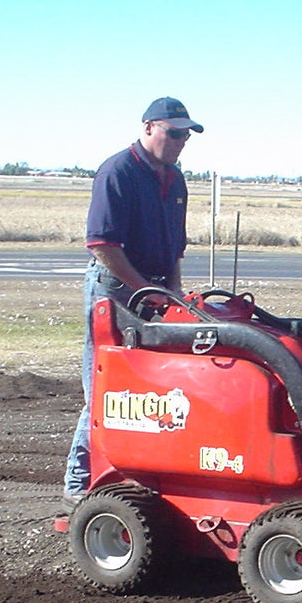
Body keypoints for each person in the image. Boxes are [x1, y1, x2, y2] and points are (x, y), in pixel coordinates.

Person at [62, 97, 204, 510]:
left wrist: (174, 293)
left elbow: (175, 245)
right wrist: (144, 288)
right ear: (148, 128)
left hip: (155, 290)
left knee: (154, 388)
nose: (180, 142)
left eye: (186, 135)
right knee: (106, 389)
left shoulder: (174, 179)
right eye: (173, 133)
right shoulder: (118, 171)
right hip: (115, 291)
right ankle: (79, 480)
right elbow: (103, 244)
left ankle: (143, 470)